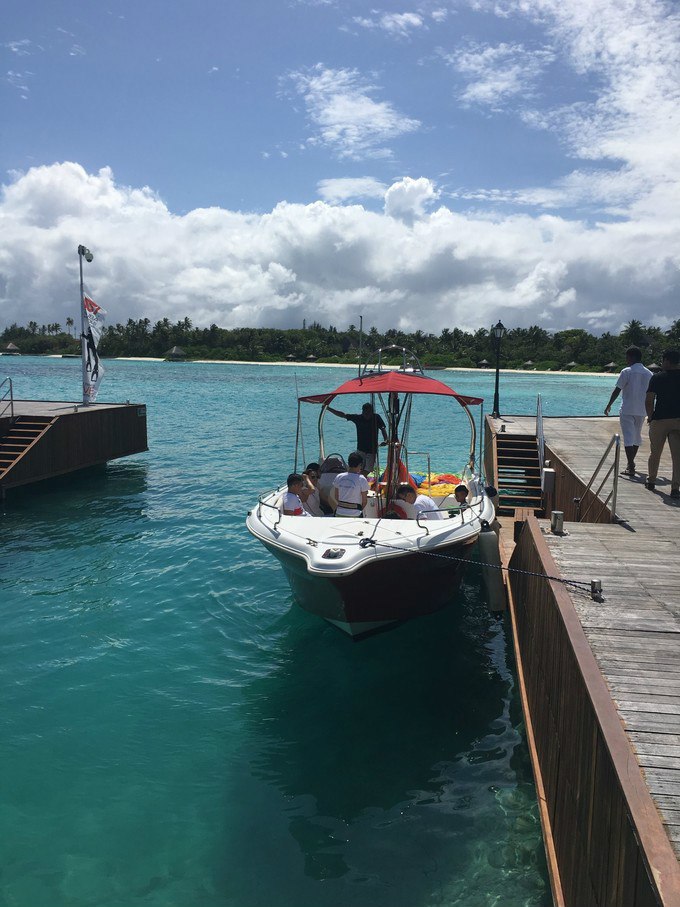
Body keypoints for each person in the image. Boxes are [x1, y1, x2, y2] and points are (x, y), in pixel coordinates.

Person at [604, 346, 653, 476]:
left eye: (627, 357)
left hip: (627, 409)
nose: (626, 360)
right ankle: (630, 464)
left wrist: (609, 404)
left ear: (631, 357)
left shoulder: (626, 371)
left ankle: (631, 465)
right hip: (641, 410)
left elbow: (617, 389)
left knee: (628, 437)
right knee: (636, 437)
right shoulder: (649, 373)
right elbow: (652, 394)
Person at [644, 349, 680, 497]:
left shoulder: (657, 378)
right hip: (678, 420)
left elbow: (649, 400)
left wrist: (650, 417)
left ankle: (651, 480)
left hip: (659, 419)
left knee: (655, 452)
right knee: (677, 456)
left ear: (667, 361)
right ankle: (675, 488)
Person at [326, 402, 388, 473]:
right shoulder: (358, 418)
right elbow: (343, 415)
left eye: (369, 413)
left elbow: (383, 429)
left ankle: (360, 479)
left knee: (368, 470)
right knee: (358, 467)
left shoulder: (376, 417)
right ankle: (358, 479)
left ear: (372, 412)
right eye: (365, 413)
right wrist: (328, 408)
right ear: (362, 411)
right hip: (361, 449)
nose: (367, 415)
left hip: (372, 450)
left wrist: (385, 440)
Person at [330, 452, 369, 517]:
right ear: (360, 464)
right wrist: (358, 510)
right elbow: (364, 501)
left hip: (339, 512)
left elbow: (336, 496)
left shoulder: (339, 476)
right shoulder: (361, 479)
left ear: (349, 463)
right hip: (355, 514)